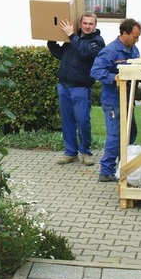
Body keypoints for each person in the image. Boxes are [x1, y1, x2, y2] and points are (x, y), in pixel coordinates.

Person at [47, 12, 105, 166]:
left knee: (83, 121)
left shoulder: (97, 42)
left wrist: (71, 35)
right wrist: (51, 39)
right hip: (64, 85)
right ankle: (70, 153)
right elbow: (60, 54)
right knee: (67, 121)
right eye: (85, 23)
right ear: (81, 24)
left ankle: (86, 152)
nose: (87, 26)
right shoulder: (73, 39)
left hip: (81, 87)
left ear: (95, 25)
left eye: (90, 24)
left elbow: (85, 52)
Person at [90, 18, 141, 182]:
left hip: (128, 99)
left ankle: (123, 166)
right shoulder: (110, 51)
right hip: (113, 100)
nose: (136, 40)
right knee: (115, 136)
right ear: (124, 33)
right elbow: (96, 71)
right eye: (134, 37)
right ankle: (106, 171)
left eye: (138, 37)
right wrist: (115, 77)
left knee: (131, 133)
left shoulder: (133, 50)